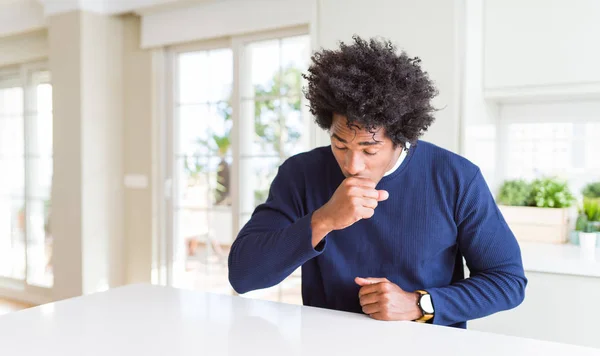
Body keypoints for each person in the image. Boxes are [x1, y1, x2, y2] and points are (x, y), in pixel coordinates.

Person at [228, 36, 526, 328]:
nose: (352, 165)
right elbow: (243, 275)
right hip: (327, 345)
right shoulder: (301, 173)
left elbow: (507, 281)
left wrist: (419, 304)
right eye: (340, 145)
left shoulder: (455, 177)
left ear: (402, 137)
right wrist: (323, 220)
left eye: (369, 150)